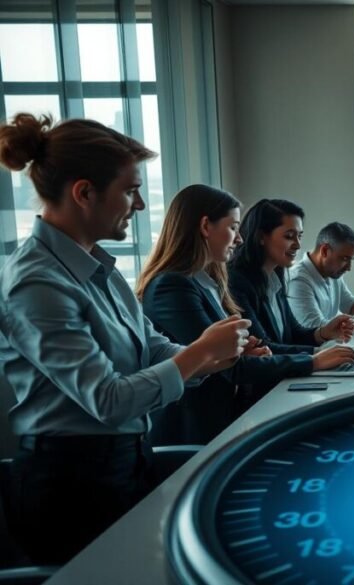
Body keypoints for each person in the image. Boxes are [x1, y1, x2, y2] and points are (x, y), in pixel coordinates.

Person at [0, 114, 249, 564]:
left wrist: (215, 357)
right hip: (70, 489)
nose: (140, 205)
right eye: (131, 190)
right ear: (84, 193)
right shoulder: (35, 282)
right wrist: (199, 354)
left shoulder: (100, 267)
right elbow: (109, 400)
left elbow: (152, 348)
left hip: (124, 462)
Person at [137, 185, 354, 445]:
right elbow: (220, 364)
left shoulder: (208, 283)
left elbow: (225, 356)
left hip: (222, 418)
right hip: (192, 428)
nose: (239, 239)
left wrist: (245, 350)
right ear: (206, 227)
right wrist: (313, 361)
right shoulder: (172, 286)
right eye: (233, 228)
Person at [228, 199, 354, 353]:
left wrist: (323, 333)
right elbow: (263, 347)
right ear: (261, 237)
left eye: (299, 236)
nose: (298, 245)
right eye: (289, 236)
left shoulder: (275, 279)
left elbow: (294, 334)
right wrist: (318, 354)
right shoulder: (237, 283)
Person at [288, 221, 354, 333]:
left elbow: (349, 303)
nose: (349, 268)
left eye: (351, 259)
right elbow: (315, 327)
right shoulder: (298, 281)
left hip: (334, 342)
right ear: (325, 251)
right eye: (344, 259)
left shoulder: (332, 271)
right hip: (317, 344)